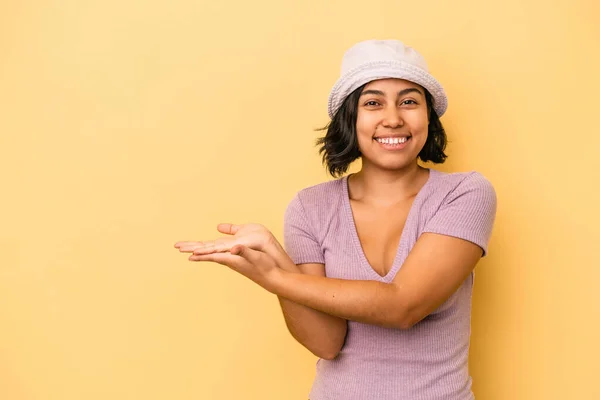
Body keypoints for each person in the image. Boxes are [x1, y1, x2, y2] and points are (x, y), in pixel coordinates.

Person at [175, 39, 497, 400]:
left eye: (409, 101)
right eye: (373, 103)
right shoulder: (309, 207)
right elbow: (327, 343)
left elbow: (403, 306)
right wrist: (273, 256)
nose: (393, 118)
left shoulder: (464, 193)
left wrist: (273, 277)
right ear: (350, 118)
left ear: (427, 116)